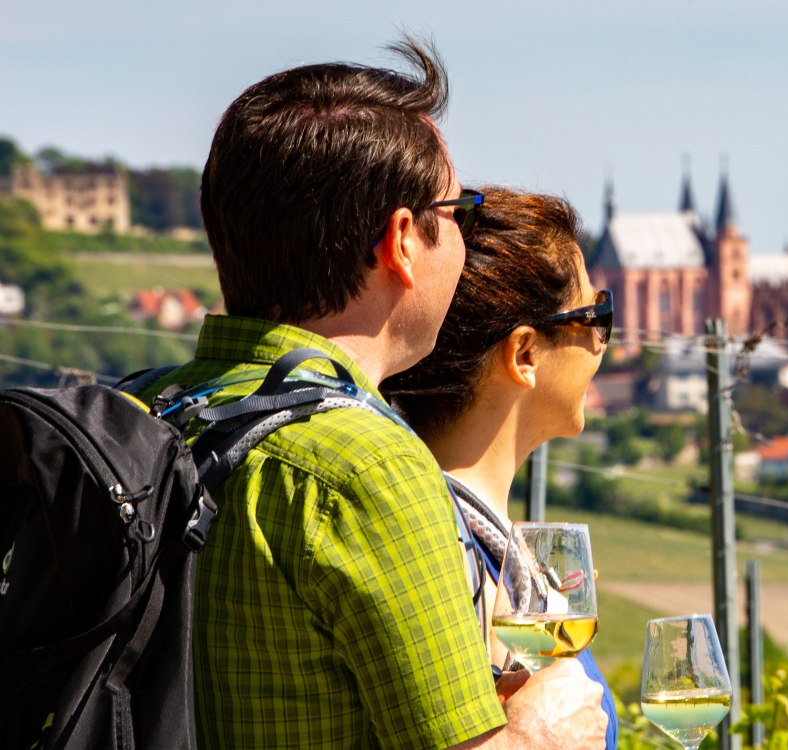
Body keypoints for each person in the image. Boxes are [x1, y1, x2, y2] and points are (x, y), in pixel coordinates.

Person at [144, 39, 606, 748]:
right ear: (402, 242)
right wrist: (540, 732)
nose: (465, 237)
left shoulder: (141, 413)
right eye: (461, 214)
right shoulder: (366, 469)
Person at [383, 187, 618, 747]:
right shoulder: (453, 566)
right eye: (595, 316)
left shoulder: (489, 553)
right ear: (524, 355)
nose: (604, 344)